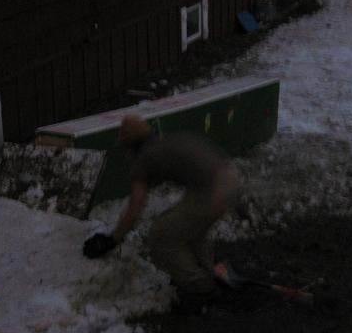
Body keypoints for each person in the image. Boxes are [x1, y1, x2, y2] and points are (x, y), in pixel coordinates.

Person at [83, 115, 240, 309]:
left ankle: (201, 288)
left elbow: (136, 207)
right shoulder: (165, 143)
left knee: (161, 236)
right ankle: (206, 271)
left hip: (212, 191)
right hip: (229, 179)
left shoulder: (145, 158)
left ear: (129, 145)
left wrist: (112, 240)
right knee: (192, 229)